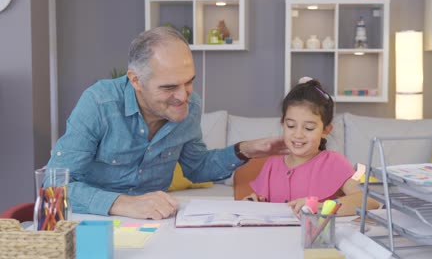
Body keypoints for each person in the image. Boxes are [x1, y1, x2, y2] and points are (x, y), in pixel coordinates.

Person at [46, 27, 288, 220]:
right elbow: (53, 187)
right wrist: (125, 204)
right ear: (136, 80)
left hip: (154, 224)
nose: (183, 97)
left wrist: (244, 150)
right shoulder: (99, 103)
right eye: (169, 87)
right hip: (92, 221)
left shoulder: (190, 107)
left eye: (189, 82)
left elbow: (198, 167)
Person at [244, 78, 379, 216]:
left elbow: (369, 200)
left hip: (315, 237)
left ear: (325, 130)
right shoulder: (272, 164)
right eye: (291, 126)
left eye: (309, 128)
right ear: (282, 124)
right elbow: (259, 202)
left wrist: (321, 208)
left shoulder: (334, 163)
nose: (298, 134)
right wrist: (252, 201)